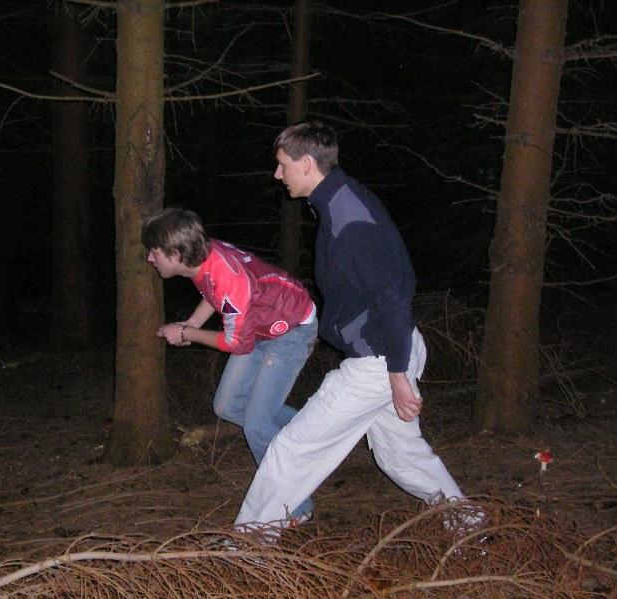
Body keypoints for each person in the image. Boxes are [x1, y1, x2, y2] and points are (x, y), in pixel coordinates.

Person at [235, 121, 470, 531]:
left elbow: (393, 294)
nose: (277, 174)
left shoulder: (351, 220)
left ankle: (249, 545)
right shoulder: (336, 201)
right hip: (389, 350)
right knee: (401, 456)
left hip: (379, 361)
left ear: (306, 164)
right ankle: (470, 525)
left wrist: (397, 373)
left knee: (293, 448)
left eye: (283, 165)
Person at [142, 208, 317, 522]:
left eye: (154, 251)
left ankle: (298, 505)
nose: (149, 258)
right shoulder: (203, 258)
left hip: (290, 328)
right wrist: (191, 323)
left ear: (175, 254)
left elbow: (238, 344)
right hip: (256, 326)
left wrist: (188, 333)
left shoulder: (228, 275)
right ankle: (316, 430)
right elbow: (216, 295)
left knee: (257, 426)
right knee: (226, 406)